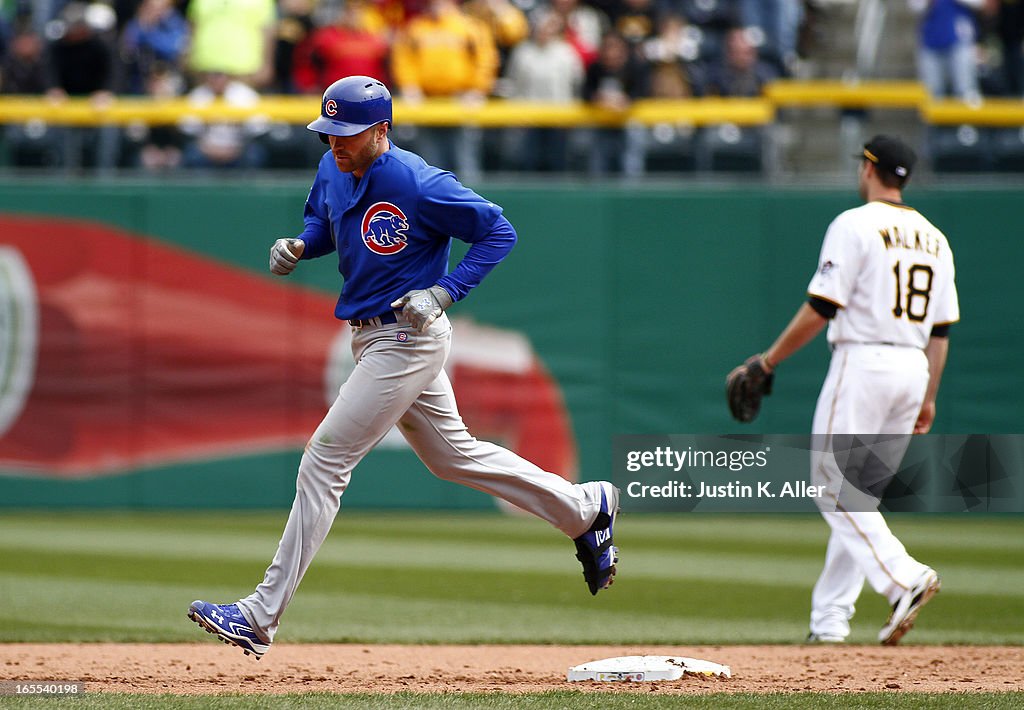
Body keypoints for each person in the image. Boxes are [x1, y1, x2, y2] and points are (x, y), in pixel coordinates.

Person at [187, 75, 620, 659]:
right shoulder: (333, 167)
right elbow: (324, 221)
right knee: (454, 456)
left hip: (407, 337)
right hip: (370, 338)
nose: (335, 142)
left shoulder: (417, 182)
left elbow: (499, 231)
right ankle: (584, 507)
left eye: (347, 132)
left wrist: (445, 292)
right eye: (328, 131)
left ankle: (259, 616)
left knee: (325, 459)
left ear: (381, 130)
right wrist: (299, 243)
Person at [728, 135, 959, 645]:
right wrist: (929, 394)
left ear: (869, 169)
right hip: (914, 367)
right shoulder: (935, 237)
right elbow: (941, 331)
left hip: (864, 362)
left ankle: (904, 578)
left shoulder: (854, 224)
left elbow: (822, 307)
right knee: (860, 497)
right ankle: (830, 622)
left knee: (833, 486)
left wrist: (768, 361)